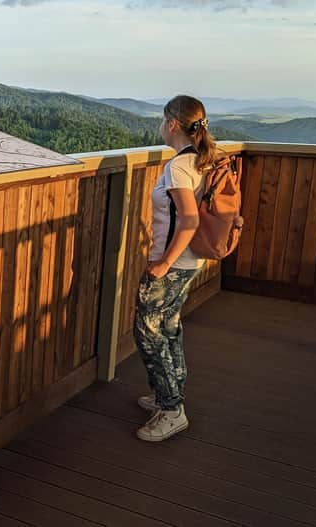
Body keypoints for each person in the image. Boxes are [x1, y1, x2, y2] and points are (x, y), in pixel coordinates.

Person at [134, 95, 216, 442]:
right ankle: (169, 393)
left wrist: (163, 263)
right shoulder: (202, 160)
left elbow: (189, 219)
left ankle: (171, 409)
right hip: (191, 261)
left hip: (173, 263)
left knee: (147, 331)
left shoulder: (179, 167)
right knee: (168, 326)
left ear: (171, 124)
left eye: (161, 119)